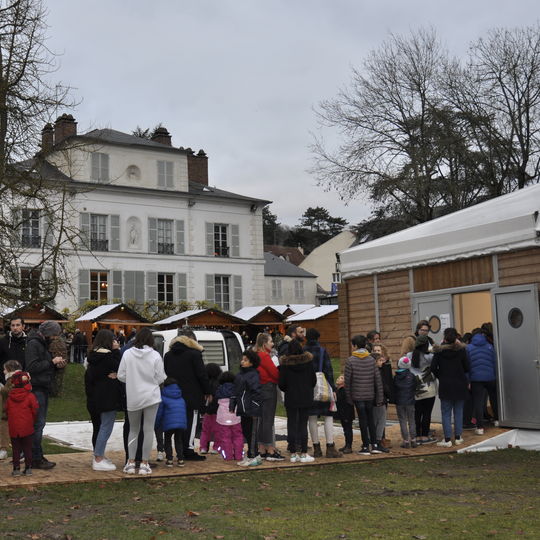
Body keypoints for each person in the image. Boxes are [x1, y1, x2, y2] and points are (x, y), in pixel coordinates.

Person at [117, 327, 166, 475]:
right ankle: (144, 463)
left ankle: (131, 462)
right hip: (151, 396)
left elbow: (121, 375)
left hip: (133, 395)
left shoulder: (127, 354)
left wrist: (133, 380)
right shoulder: (155, 355)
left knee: (133, 429)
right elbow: (161, 377)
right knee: (148, 429)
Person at [163, 328, 211, 461]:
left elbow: (166, 373)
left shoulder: (168, 355)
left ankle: (176, 450)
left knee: (176, 421)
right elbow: (202, 375)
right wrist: (207, 391)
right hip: (192, 394)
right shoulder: (194, 354)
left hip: (173, 394)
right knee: (191, 421)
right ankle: (188, 449)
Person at [25, 321, 66, 470]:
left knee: (39, 424)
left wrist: (56, 365)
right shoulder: (34, 344)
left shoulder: (42, 343)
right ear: (47, 333)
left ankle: (36, 456)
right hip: (36, 388)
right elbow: (32, 366)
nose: (55, 338)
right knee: (38, 424)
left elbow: (43, 366)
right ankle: (35, 458)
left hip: (42, 387)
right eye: (54, 334)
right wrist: (51, 361)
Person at [85, 329, 122, 471]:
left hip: (94, 399)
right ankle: (98, 458)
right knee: (105, 427)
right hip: (107, 398)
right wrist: (117, 351)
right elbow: (120, 368)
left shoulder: (92, 357)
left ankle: (98, 455)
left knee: (98, 427)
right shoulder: (109, 357)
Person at [305, 328, 342, 459]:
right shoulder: (322, 351)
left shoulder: (303, 352)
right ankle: (330, 447)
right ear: (318, 337)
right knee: (328, 415)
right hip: (323, 386)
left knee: (312, 417)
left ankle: (316, 448)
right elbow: (329, 371)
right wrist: (333, 388)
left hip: (308, 388)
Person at [344, 334, 384, 455]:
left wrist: (348, 397)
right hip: (370, 395)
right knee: (371, 419)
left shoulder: (350, 360)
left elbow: (347, 381)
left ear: (355, 346)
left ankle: (365, 446)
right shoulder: (371, 360)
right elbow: (378, 380)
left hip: (357, 395)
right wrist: (379, 397)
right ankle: (375, 444)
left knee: (363, 420)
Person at [278, 340, 316, 463]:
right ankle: (304, 452)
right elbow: (313, 380)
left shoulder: (285, 365)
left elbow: (282, 384)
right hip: (305, 396)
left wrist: (289, 389)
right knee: (303, 425)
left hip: (291, 397)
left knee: (292, 424)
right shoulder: (308, 362)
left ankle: (293, 453)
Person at [431, 327, 470, 447]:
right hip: (460, 384)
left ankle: (447, 439)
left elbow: (433, 368)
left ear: (444, 338)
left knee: (446, 413)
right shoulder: (461, 350)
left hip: (445, 384)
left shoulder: (439, 351)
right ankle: (458, 437)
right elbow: (467, 367)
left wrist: (440, 376)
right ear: (456, 338)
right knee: (458, 411)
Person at [254, 332, 284, 461]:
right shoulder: (264, 356)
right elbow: (275, 373)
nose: (272, 344)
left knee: (262, 419)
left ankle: (261, 447)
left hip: (260, 389)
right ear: (264, 343)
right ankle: (270, 449)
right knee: (268, 419)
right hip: (268, 388)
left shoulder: (255, 355)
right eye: (271, 341)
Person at [231, 349, 263, 467]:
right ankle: (254, 455)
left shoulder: (254, 375)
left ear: (252, 362)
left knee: (252, 434)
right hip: (243, 409)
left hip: (252, 410)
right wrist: (232, 404)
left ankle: (252, 455)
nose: (242, 362)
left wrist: (255, 407)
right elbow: (235, 391)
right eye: (242, 359)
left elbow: (256, 392)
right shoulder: (239, 375)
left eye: (245, 360)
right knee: (246, 432)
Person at [5, 371, 38, 477]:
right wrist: (33, 420)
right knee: (28, 448)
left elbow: (6, 410)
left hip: (14, 427)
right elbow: (35, 410)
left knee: (16, 449)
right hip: (27, 427)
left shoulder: (10, 397)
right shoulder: (30, 396)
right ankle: (28, 468)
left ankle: (16, 468)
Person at [466, 328, 498, 435]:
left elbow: (467, 366)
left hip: (476, 379)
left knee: (478, 403)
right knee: (494, 398)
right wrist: (495, 375)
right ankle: (497, 420)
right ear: (482, 335)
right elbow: (494, 363)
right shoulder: (490, 346)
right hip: (490, 377)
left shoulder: (468, 348)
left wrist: (468, 380)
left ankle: (480, 428)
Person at [407, 335, 437, 445]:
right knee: (427, 413)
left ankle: (416, 436)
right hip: (429, 388)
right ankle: (424, 436)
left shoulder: (409, 355)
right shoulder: (430, 356)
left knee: (417, 413)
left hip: (415, 389)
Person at [155, 377, 187, 467]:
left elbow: (159, 413)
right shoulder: (181, 398)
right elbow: (183, 412)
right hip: (180, 424)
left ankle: (169, 459)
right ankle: (180, 459)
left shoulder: (163, 397)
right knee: (178, 440)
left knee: (168, 440)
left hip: (168, 423)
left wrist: (156, 424)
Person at [214, 371, 244, 462]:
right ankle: (238, 455)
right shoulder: (236, 389)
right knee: (238, 436)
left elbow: (216, 397)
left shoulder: (219, 389)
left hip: (223, 416)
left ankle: (228, 456)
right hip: (235, 415)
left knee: (225, 437)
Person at [371, 345, 394, 452]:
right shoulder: (377, 372)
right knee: (380, 421)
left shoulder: (382, 369)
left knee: (378, 421)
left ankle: (376, 441)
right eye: (379, 360)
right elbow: (382, 386)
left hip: (378, 400)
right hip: (378, 401)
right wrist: (390, 395)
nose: (381, 362)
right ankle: (377, 441)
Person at [0, 360, 23, 461]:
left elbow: (11, 392)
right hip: (9, 410)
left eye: (5, 369)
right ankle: (4, 449)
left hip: (14, 411)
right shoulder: (13, 379)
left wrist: (1, 389)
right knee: (5, 428)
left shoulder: (14, 379)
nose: (3, 372)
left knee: (16, 432)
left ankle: (20, 452)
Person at [393, 356, 417, 448]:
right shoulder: (412, 376)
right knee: (411, 420)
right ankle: (413, 440)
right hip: (410, 401)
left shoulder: (396, 377)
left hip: (399, 402)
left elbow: (394, 389)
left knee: (402, 420)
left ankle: (406, 441)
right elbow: (415, 387)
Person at [199, 362, 222, 454]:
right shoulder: (219, 384)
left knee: (205, 430)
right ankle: (216, 447)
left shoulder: (205, 383)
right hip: (217, 411)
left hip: (207, 411)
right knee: (217, 430)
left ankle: (203, 447)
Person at [335, 374, 354, 453]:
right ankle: (346, 445)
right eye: (339, 377)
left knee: (348, 429)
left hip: (347, 413)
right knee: (345, 429)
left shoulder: (344, 390)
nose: (339, 378)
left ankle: (349, 446)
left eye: (342, 378)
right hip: (342, 413)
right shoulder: (338, 389)